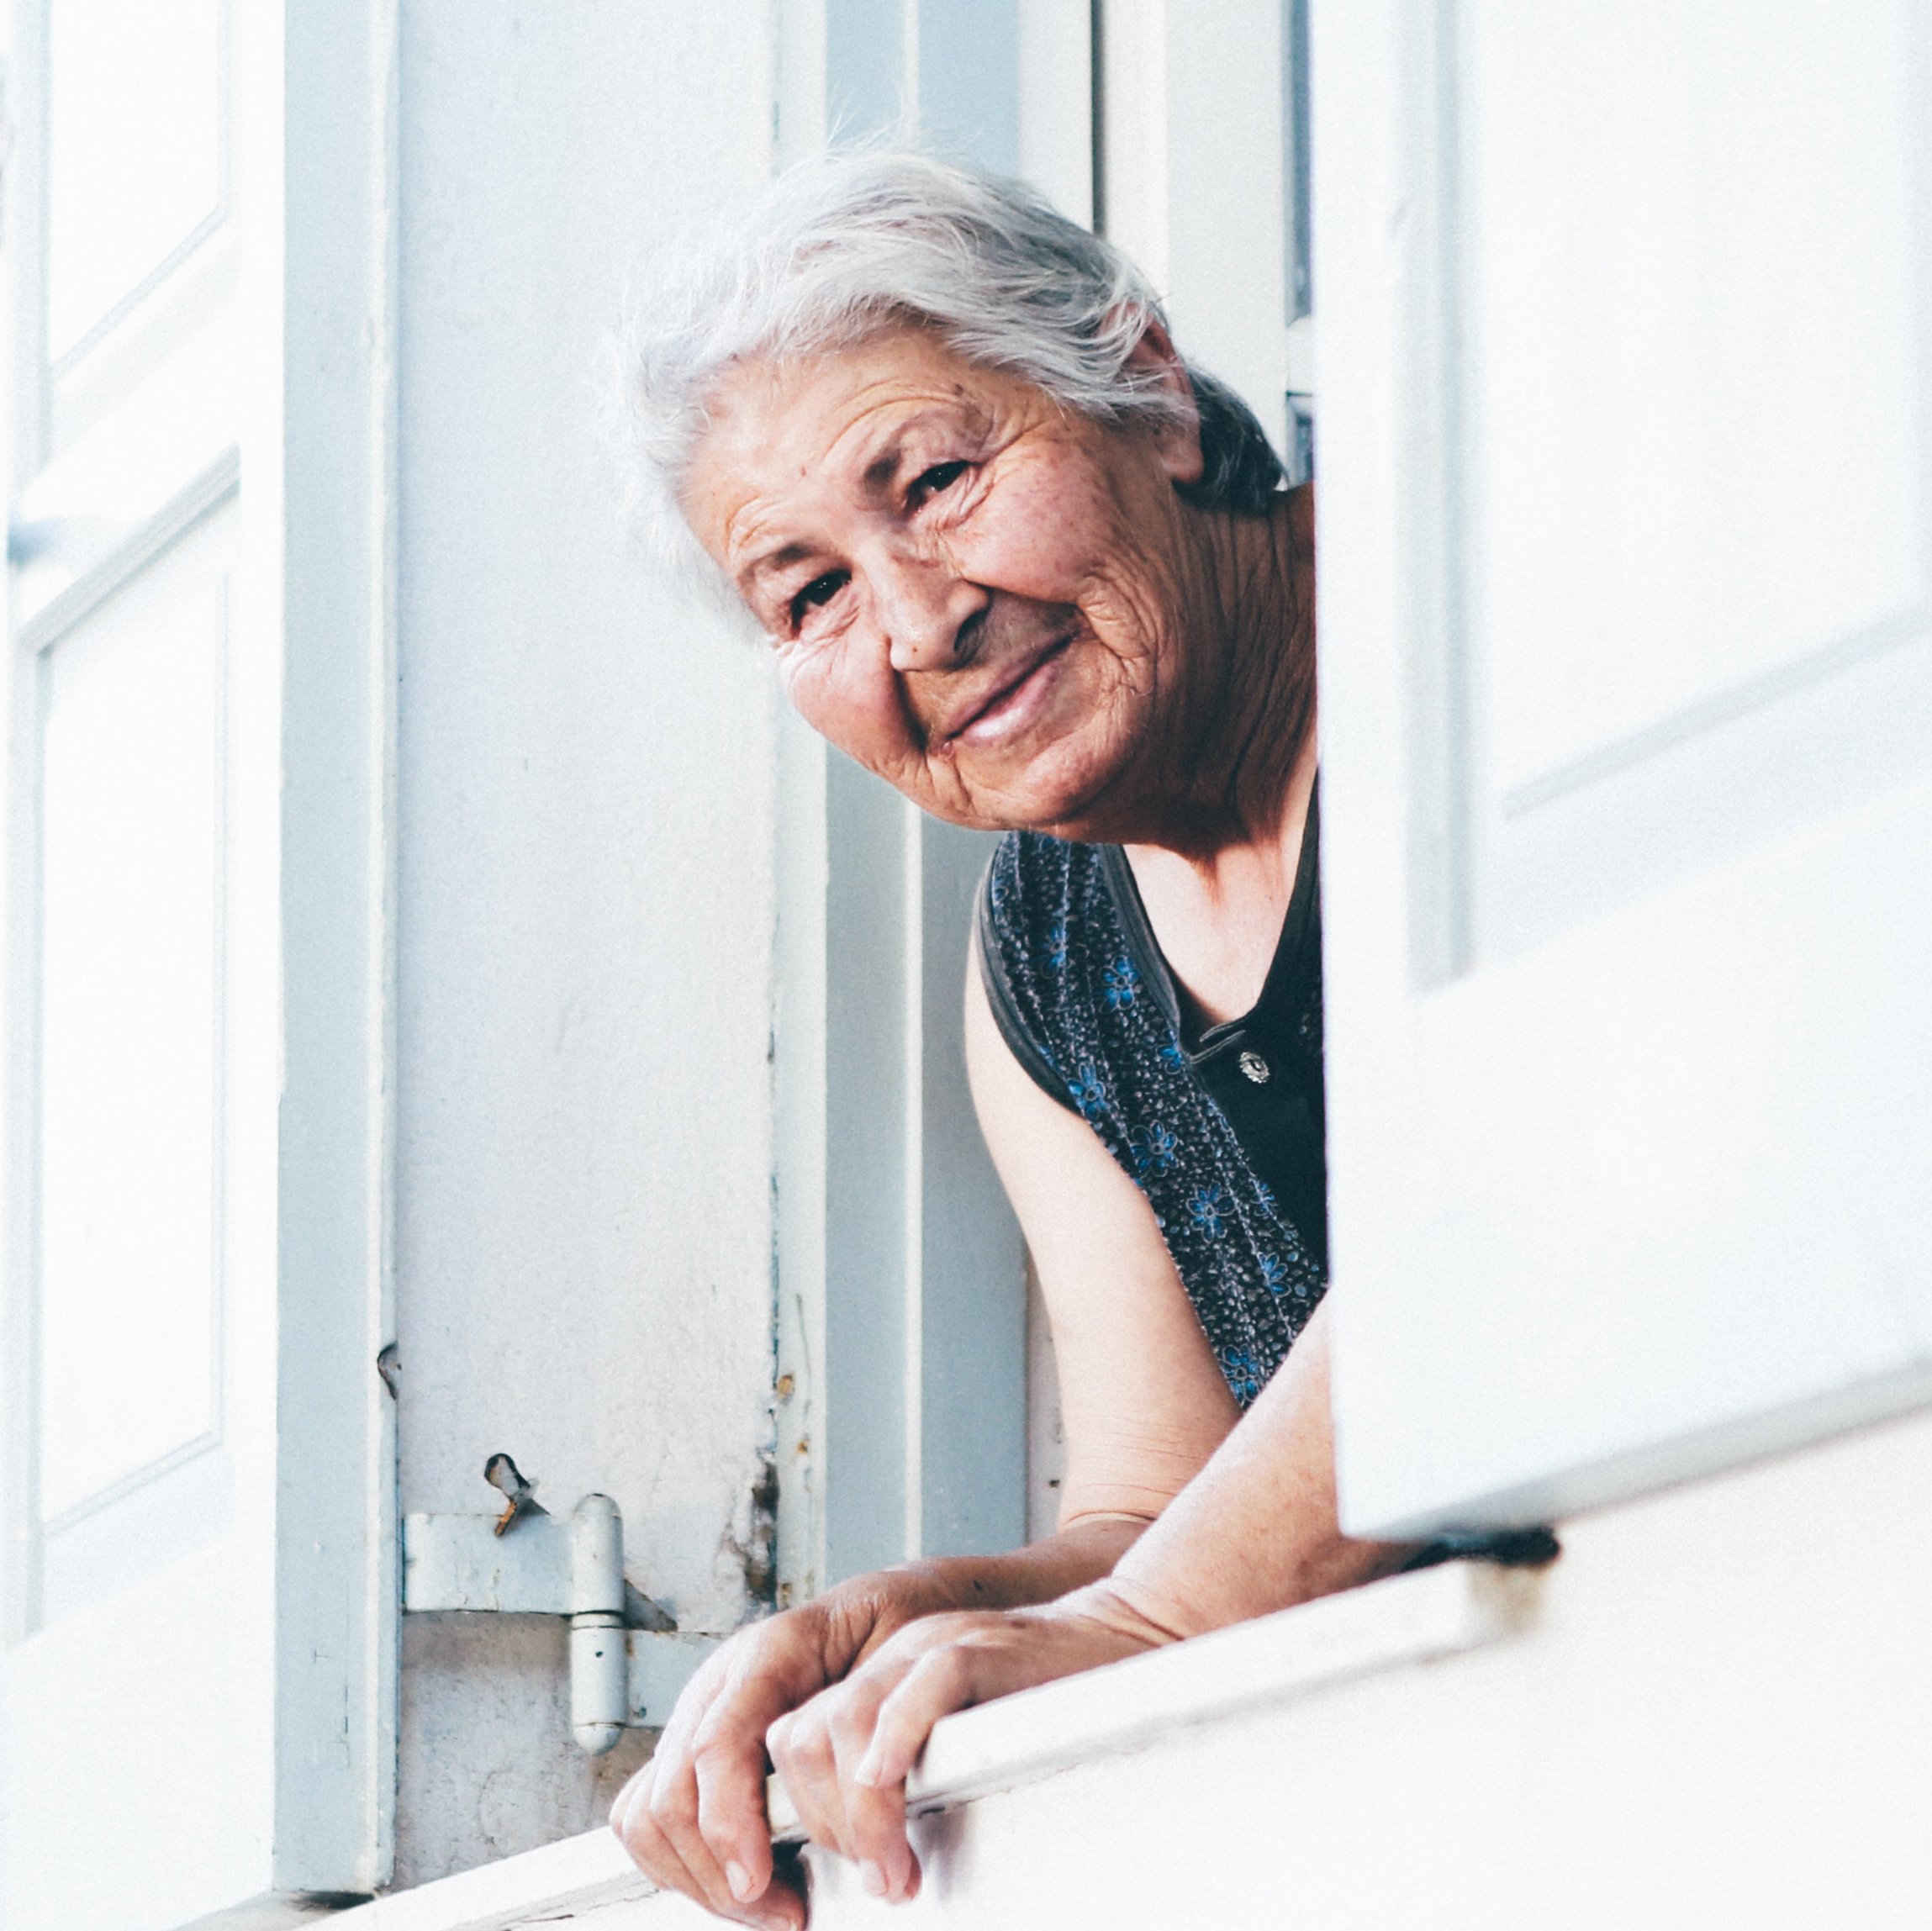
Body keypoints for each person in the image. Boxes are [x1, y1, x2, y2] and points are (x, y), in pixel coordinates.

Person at [608, 150, 1412, 1928]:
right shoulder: (1048, 958)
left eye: (941, 480)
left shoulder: (1463, 639)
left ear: (1146, 391)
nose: (916, 623)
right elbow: (1155, 1510)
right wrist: (859, 1645)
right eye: (807, 592)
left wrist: (1148, 1625)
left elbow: (1559, 1170)